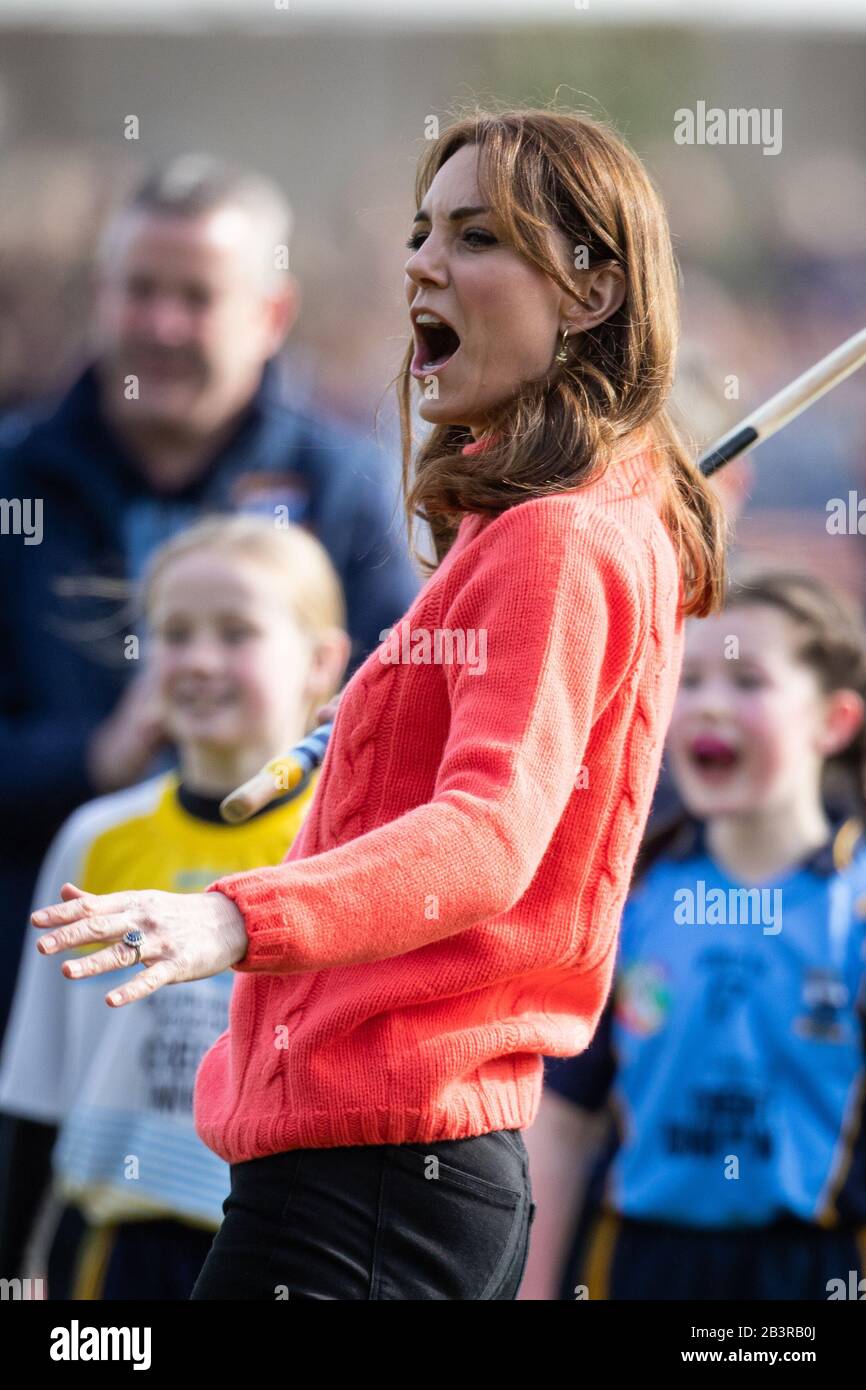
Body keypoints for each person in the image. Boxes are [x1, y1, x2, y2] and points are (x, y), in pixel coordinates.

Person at [28, 106, 727, 1302]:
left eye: (473, 235)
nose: (420, 261)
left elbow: (485, 838)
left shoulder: (559, 539)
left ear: (591, 290)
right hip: (381, 1174)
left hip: (377, 1178)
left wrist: (232, 921)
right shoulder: (544, 527)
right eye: (420, 230)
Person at [0, 154, 418, 1046]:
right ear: (100, 297)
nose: (161, 324)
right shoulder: (13, 481)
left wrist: (268, 779)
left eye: (196, 298)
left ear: (272, 314)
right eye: (138, 291)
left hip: (270, 982)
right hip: (37, 972)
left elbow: (401, 715)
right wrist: (90, 760)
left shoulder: (341, 483)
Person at [0, 514, 349, 1299]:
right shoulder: (97, 838)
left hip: (289, 1247)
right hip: (112, 1251)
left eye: (236, 634)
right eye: (174, 633)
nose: (198, 660)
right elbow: (35, 1085)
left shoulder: (349, 844)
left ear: (323, 662)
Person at [526, 570, 866, 1301]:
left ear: (834, 721)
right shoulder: (631, 898)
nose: (710, 705)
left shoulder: (854, 905)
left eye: (748, 682)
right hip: (641, 1265)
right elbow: (559, 1123)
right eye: (690, 679)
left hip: (818, 1270)